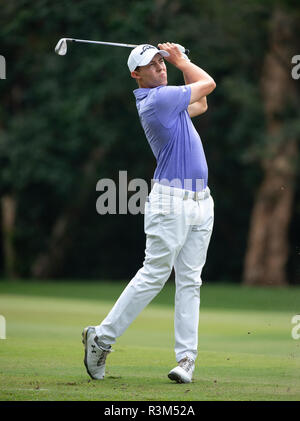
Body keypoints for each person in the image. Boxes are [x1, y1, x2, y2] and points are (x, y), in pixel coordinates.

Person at [82, 42, 216, 384]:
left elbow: (201, 101)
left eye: (162, 62)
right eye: (152, 65)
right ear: (136, 75)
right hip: (171, 201)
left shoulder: (171, 103)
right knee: (155, 274)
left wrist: (181, 64)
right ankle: (101, 339)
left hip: (201, 202)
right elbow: (208, 83)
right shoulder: (158, 100)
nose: (160, 67)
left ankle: (186, 359)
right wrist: (183, 59)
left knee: (190, 281)